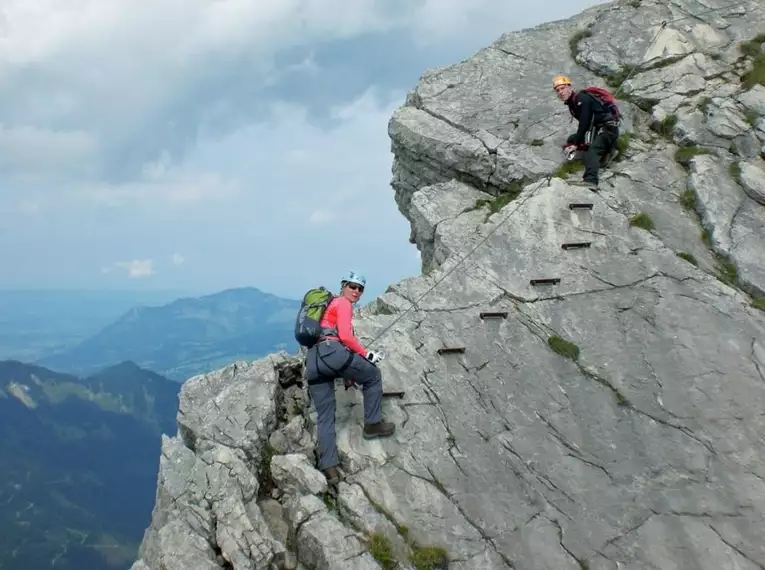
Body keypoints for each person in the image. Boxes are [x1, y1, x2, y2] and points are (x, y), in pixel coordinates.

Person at [304, 270, 396, 485]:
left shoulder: (325, 307)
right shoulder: (342, 304)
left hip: (314, 361)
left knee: (325, 416)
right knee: (373, 375)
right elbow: (345, 336)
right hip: (332, 352)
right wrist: (366, 355)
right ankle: (373, 424)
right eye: (352, 286)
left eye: (360, 288)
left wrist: (345, 372)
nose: (356, 291)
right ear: (343, 286)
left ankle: (330, 468)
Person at [553, 75, 620, 191]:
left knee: (592, 152)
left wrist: (575, 144)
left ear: (569, 87)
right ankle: (606, 153)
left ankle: (591, 181)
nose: (560, 92)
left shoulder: (581, 99)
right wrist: (575, 142)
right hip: (598, 129)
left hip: (607, 129)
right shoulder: (573, 102)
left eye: (563, 88)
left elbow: (584, 123)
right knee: (572, 138)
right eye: (558, 90)